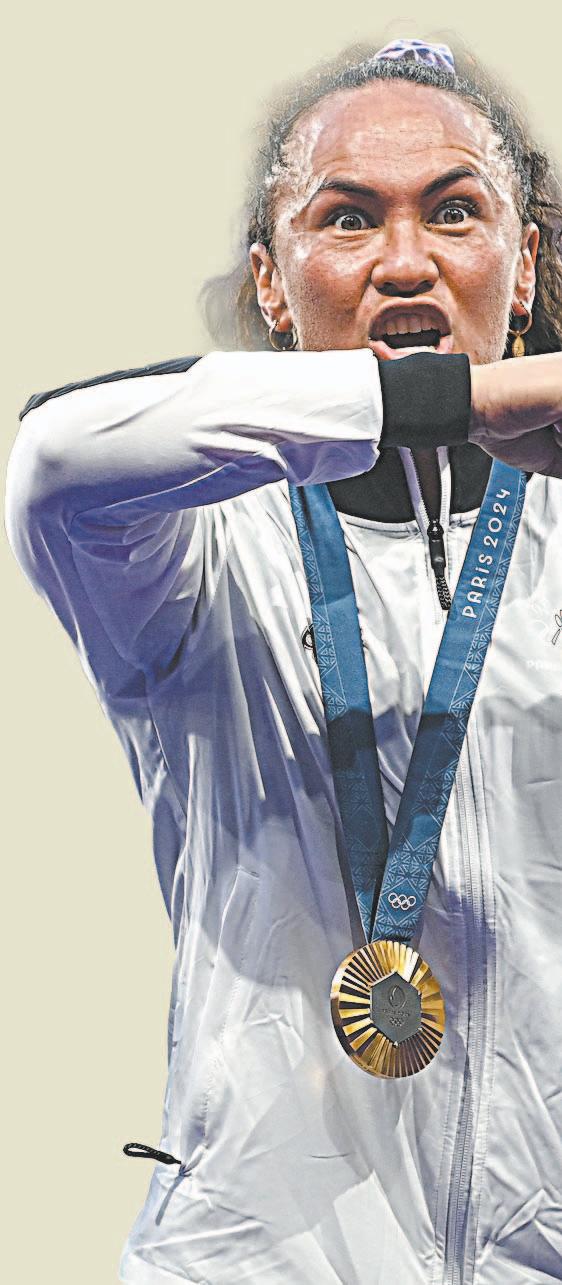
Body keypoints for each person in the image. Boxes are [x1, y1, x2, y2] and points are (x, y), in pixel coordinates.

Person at [5, 33, 562, 1285]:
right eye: (347, 217)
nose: (405, 260)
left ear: (522, 266)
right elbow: (53, 454)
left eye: (455, 212)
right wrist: (456, 402)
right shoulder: (192, 553)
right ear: (271, 279)